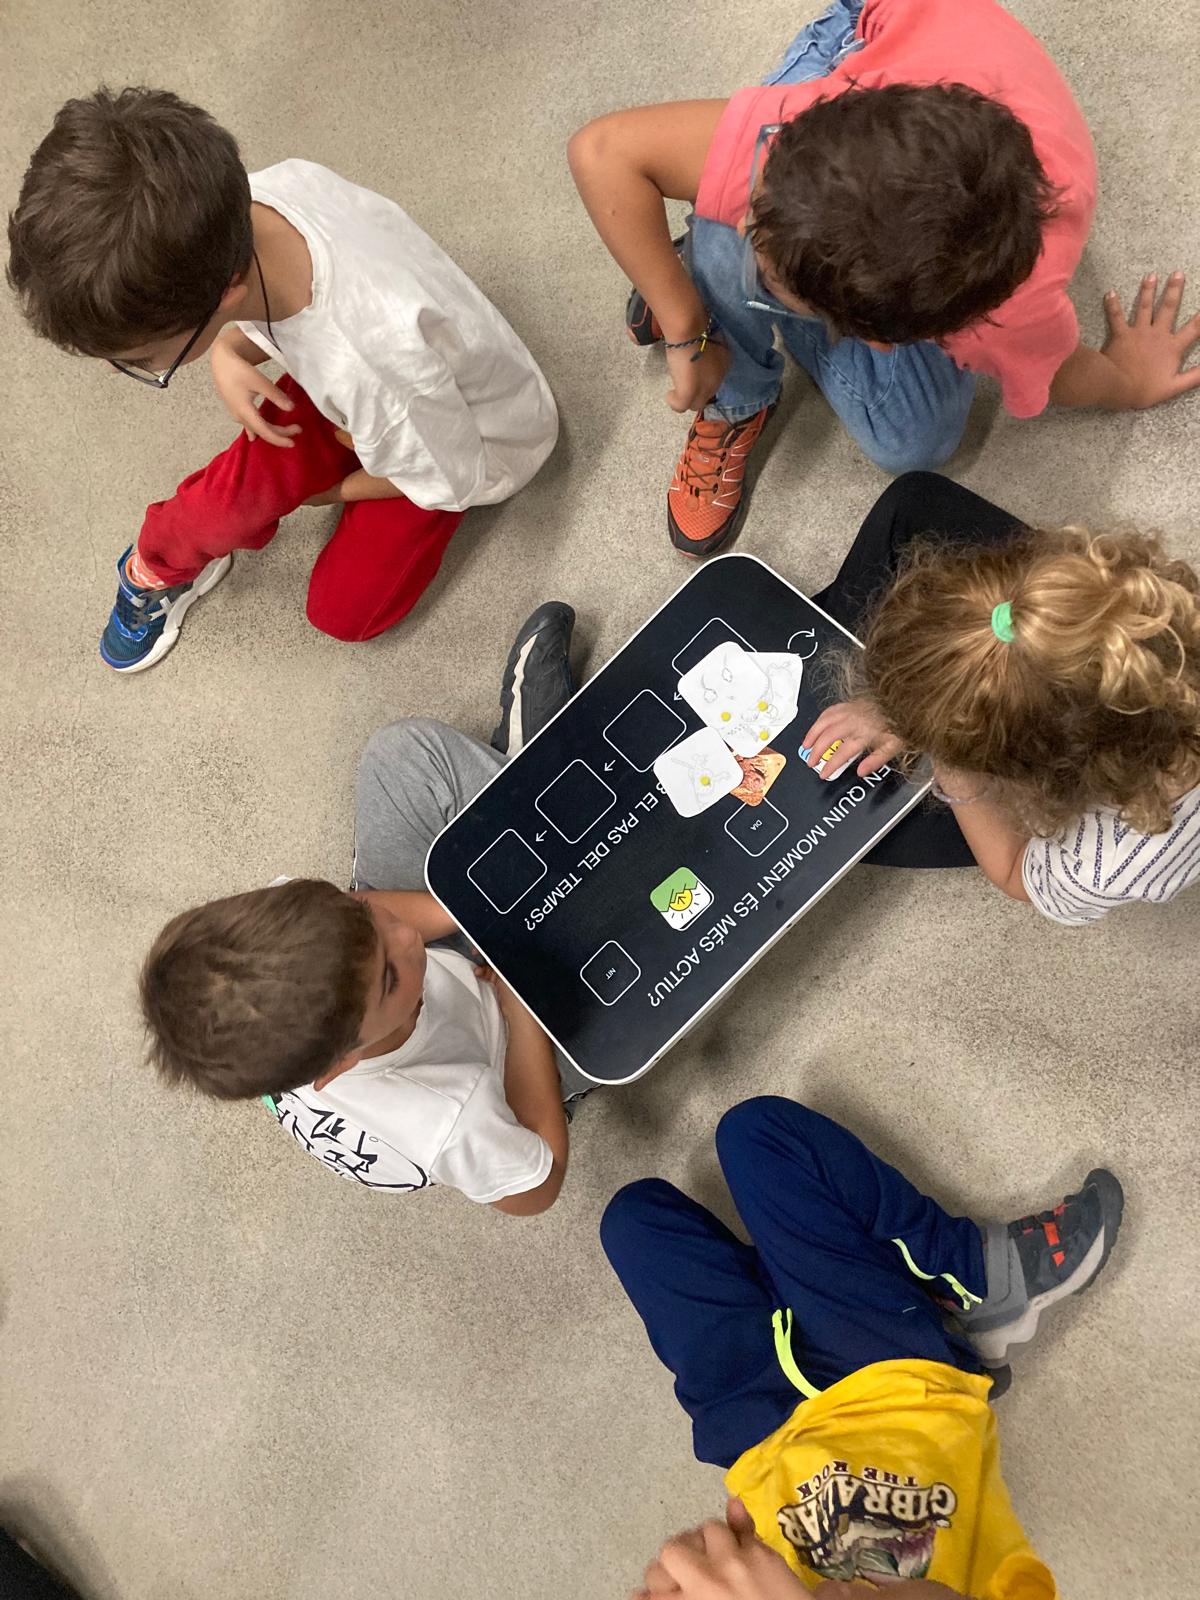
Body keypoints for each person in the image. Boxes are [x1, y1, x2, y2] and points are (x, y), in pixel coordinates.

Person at [568, 0, 1200, 558]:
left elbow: (1063, 370)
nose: (748, 229)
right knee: (721, 234)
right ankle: (731, 376)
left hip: (931, 104)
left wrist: (1128, 381)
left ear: (878, 339)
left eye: (778, 280)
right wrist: (684, 325)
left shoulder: (1014, 309)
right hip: (866, 43)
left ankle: (704, 267)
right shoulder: (823, 135)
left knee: (913, 446)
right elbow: (602, 152)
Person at [6, 87, 558, 671]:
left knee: (342, 612)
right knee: (234, 495)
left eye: (143, 362)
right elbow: (299, 322)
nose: (125, 368)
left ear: (226, 294)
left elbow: (449, 478)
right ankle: (159, 559)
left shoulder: (369, 364)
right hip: (385, 392)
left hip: (466, 444)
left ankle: (318, 479)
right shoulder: (257, 197)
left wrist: (330, 493)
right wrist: (227, 351)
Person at [139, 603, 588, 1212]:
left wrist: (468, 909)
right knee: (616, 977)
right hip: (507, 1050)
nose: (406, 939)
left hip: (445, 970)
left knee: (401, 757)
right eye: (389, 976)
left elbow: (378, 921)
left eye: (366, 921)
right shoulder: (443, 1120)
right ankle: (532, 773)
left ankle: (525, 785)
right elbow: (538, 1187)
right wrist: (522, 1010)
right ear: (338, 1067)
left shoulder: (329, 945)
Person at [603, 1096, 1124, 1595]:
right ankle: (977, 1278)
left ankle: (793, 1276)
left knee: (634, 1222)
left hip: (754, 1432)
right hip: (889, 1387)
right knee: (760, 1136)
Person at [798, 472, 1200, 923]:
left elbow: (1013, 873)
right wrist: (933, 700)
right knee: (913, 501)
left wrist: (945, 755)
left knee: (832, 819)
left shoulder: (1106, 865)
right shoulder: (1127, 610)